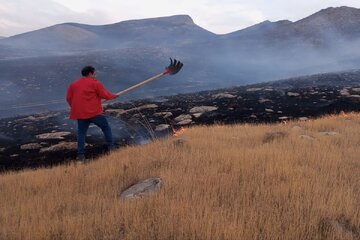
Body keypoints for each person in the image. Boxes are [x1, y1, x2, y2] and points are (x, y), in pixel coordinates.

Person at [66, 66, 119, 160]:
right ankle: (111, 148)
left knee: (81, 133)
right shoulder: (95, 83)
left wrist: (76, 107)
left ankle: (80, 155)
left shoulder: (73, 85)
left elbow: (69, 98)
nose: (95, 75)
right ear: (90, 73)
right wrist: (113, 96)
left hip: (80, 114)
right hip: (94, 113)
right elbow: (104, 94)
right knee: (106, 127)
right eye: (94, 73)